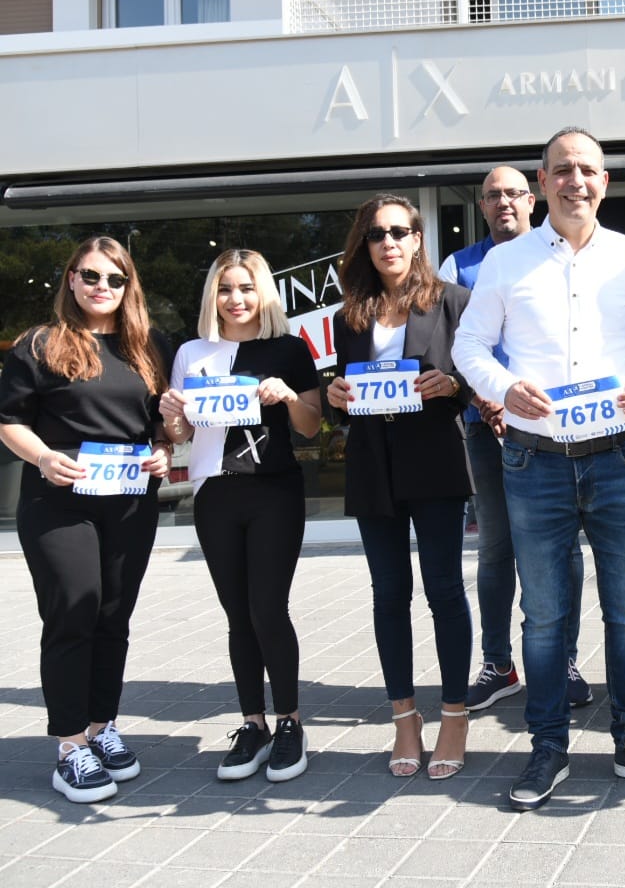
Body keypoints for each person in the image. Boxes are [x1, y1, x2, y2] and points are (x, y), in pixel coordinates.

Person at [453, 127, 625, 810]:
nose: (575, 181)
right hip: (535, 460)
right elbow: (470, 346)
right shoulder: (506, 262)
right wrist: (504, 388)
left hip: (621, 455)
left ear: (605, 181)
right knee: (543, 617)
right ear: (542, 182)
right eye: (562, 169)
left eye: (587, 169)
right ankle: (547, 749)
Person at [0, 236, 172, 804]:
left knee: (113, 617)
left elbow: (160, 422)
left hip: (129, 501)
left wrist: (164, 450)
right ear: (71, 278)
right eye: (91, 275)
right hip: (59, 501)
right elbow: (9, 421)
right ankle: (70, 746)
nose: (103, 287)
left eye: (115, 279)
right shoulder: (38, 344)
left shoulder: (148, 346)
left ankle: (102, 727)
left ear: (129, 286)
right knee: (73, 610)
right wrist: (43, 458)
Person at [326, 194, 474, 781]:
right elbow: (344, 394)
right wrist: (335, 397)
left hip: (434, 459)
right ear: (364, 246)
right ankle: (405, 720)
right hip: (372, 465)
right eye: (376, 234)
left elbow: (478, 375)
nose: (387, 242)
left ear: (417, 239)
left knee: (444, 591)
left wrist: (453, 386)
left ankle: (455, 716)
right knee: (388, 595)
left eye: (398, 232)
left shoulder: (452, 301)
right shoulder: (349, 315)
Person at [158, 249, 321, 782]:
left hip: (274, 491)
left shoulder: (289, 349)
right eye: (226, 288)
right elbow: (181, 434)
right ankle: (253, 724)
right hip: (215, 495)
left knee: (267, 609)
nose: (236, 299)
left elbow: (312, 425)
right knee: (237, 614)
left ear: (263, 293)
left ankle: (290, 722)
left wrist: (289, 396)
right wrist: (172, 416)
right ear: (213, 295)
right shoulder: (192, 353)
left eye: (246, 288)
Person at [440, 166, 591, 712]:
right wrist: (488, 398)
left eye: (512, 193)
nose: (503, 202)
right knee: (497, 549)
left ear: (533, 199)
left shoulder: (562, 254)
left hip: (555, 428)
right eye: (492, 196)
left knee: (561, 548)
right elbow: (452, 346)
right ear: (481, 206)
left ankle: (563, 660)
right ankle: (498, 664)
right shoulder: (458, 266)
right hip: (487, 428)